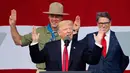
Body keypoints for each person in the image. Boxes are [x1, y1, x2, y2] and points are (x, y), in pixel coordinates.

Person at [9, 2, 80, 71]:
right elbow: (18, 41)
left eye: (57, 16)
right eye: (52, 16)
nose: (54, 19)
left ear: (62, 18)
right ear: (48, 17)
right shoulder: (39, 32)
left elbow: (74, 51)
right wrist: (12, 25)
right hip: (42, 71)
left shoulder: (66, 32)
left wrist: (75, 32)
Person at [29, 20, 103, 71]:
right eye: (65, 29)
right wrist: (35, 42)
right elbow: (36, 59)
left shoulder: (81, 47)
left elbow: (93, 61)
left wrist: (98, 44)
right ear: (59, 33)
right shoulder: (50, 47)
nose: (68, 31)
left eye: (70, 29)